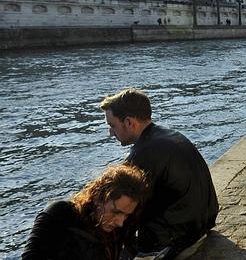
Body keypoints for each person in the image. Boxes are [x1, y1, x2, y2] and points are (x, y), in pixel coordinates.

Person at [100, 88, 219, 259]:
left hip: (179, 236)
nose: (110, 132)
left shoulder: (142, 155)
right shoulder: (171, 136)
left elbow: (128, 210)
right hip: (203, 221)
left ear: (129, 122)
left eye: (112, 126)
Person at [23, 164, 148, 260]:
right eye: (115, 212)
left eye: (126, 215)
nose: (120, 222)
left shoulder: (118, 231)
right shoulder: (60, 213)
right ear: (99, 197)